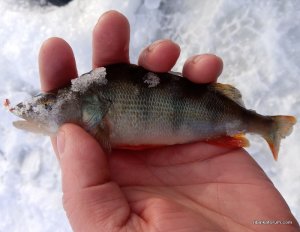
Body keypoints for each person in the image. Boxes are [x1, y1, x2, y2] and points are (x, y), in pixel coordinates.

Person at [38, 10, 299, 232]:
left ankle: (269, 127)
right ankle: (268, 126)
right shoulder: (87, 128)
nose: (48, 111)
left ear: (89, 107)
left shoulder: (94, 115)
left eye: (50, 105)